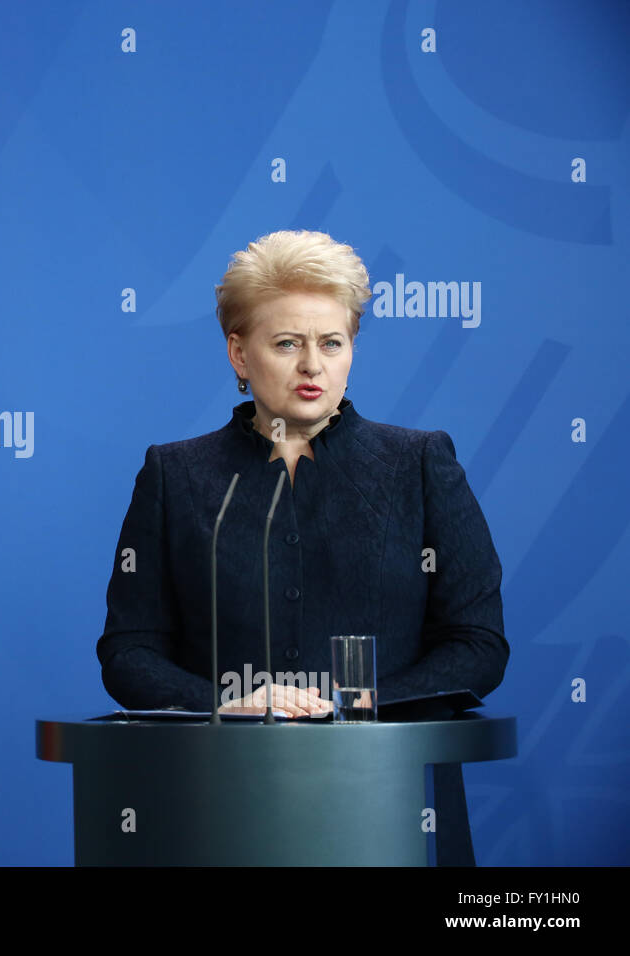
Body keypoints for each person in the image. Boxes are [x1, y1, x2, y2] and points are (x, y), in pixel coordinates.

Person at [95, 229, 508, 865]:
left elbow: (477, 646)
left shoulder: (420, 464)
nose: (312, 365)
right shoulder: (175, 476)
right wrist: (226, 706)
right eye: (287, 343)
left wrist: (352, 709)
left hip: (390, 809)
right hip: (215, 808)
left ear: (351, 350)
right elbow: (128, 652)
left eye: (331, 343)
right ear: (238, 352)